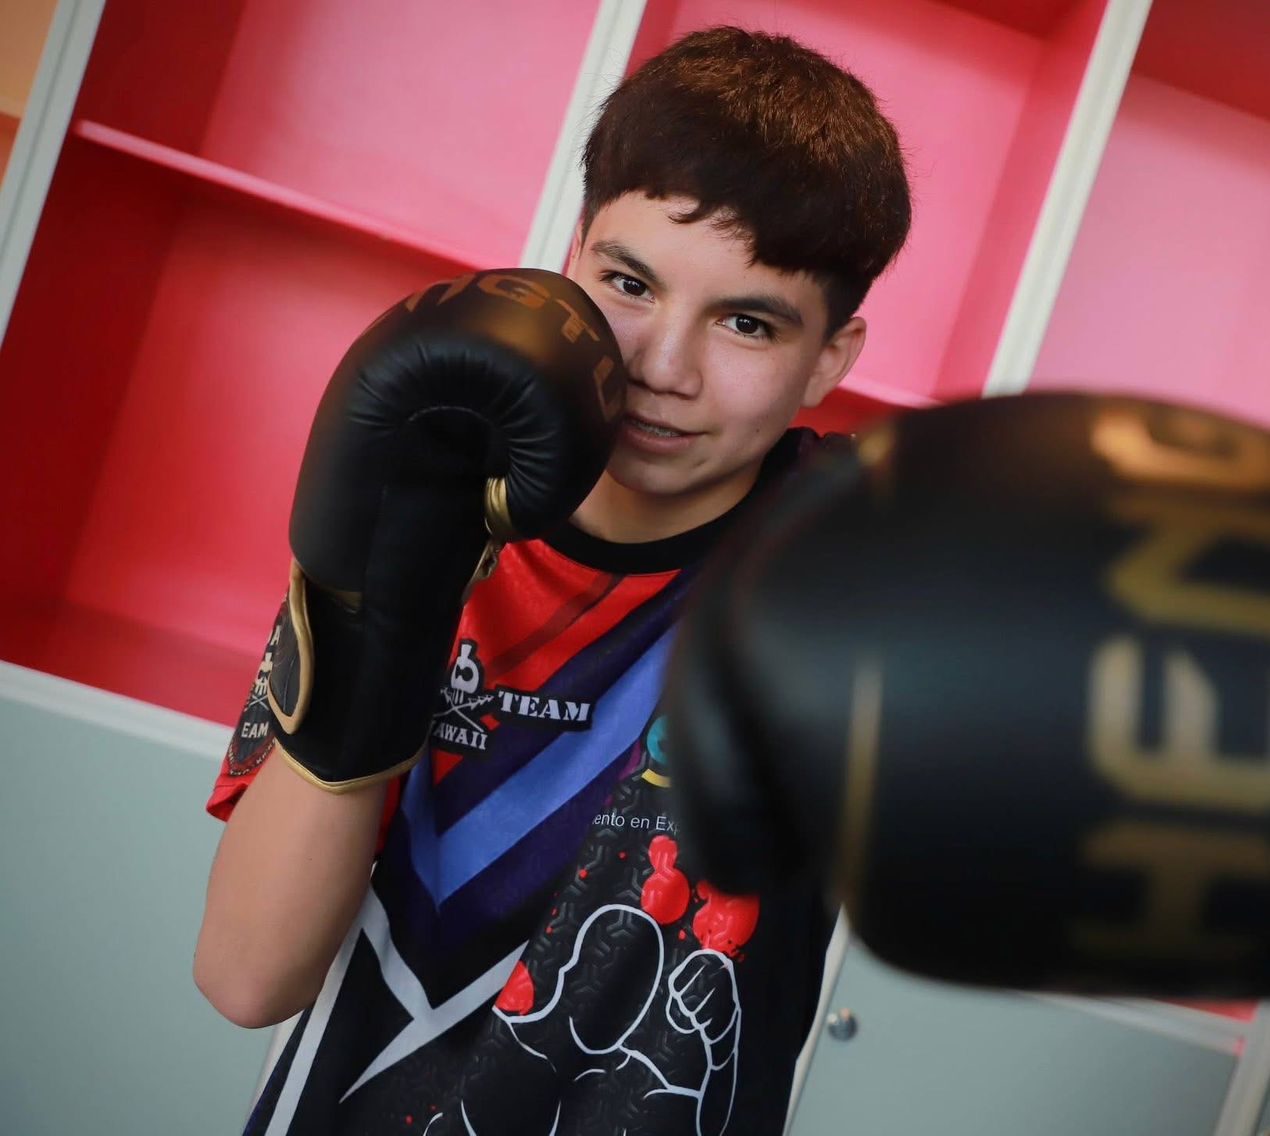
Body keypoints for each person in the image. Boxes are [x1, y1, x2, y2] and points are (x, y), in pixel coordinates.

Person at [193, 24, 912, 1136]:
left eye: (746, 322)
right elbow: (247, 975)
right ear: (571, 257)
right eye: (629, 282)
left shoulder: (852, 563)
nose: (662, 368)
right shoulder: (430, 490)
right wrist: (383, 608)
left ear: (829, 359)